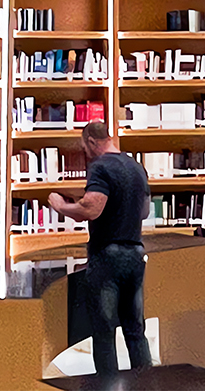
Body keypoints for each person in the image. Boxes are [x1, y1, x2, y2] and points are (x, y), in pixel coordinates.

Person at [49, 120, 153, 377]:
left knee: (104, 332)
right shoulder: (136, 167)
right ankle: (148, 384)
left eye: (85, 147)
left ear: (92, 142)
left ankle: (107, 386)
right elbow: (145, 210)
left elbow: (91, 208)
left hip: (107, 257)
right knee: (135, 330)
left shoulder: (101, 167)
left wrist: (61, 206)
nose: (85, 153)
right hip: (135, 254)